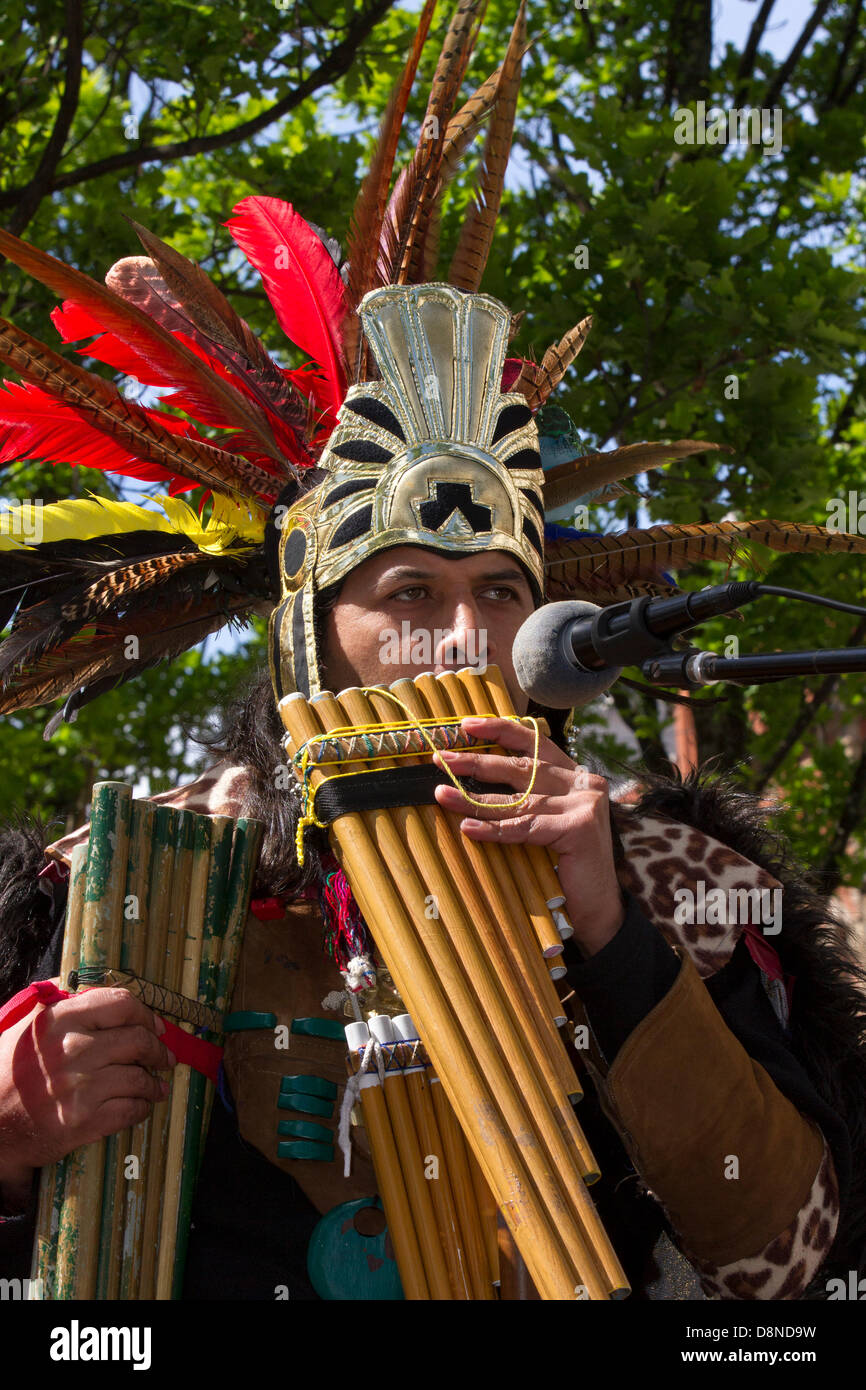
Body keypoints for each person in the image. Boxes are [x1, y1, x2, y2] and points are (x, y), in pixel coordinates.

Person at [1, 4, 865, 1301]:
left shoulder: (678, 880)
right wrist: (9, 1140)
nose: (463, 640)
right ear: (308, 627)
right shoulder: (122, 888)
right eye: (407, 589)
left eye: (499, 595)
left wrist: (612, 929)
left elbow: (790, 1261)